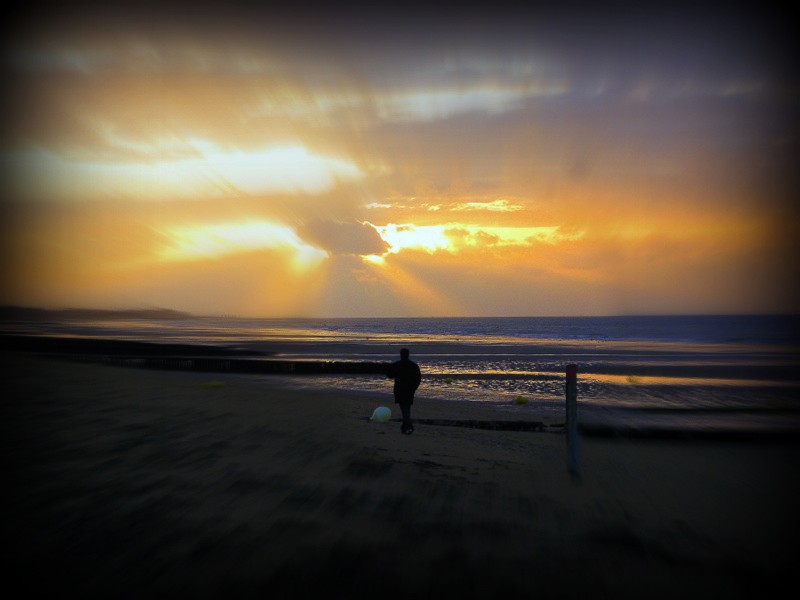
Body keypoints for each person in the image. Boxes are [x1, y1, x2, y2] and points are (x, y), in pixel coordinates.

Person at [387, 348, 422, 434]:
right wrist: (414, 387)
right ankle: (404, 426)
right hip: (409, 389)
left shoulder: (397, 365)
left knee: (404, 408)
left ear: (401, 355)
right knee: (406, 408)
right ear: (408, 354)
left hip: (400, 389)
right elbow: (418, 378)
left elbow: (390, 375)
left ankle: (409, 426)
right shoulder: (414, 365)